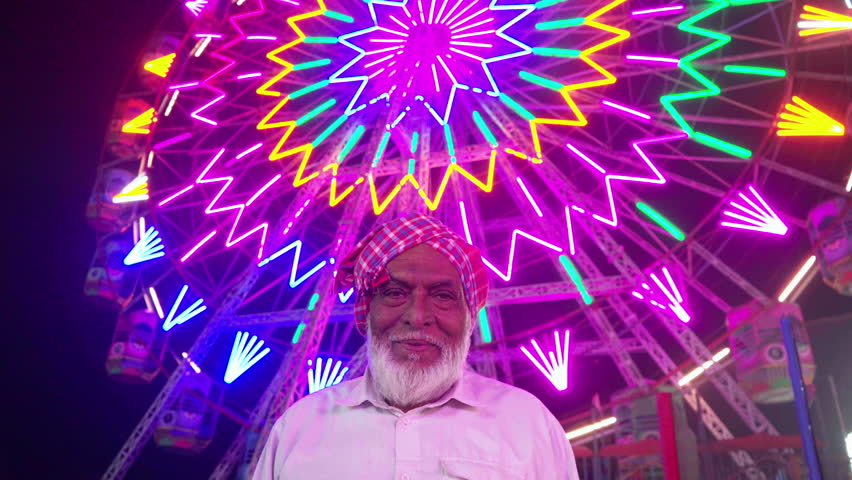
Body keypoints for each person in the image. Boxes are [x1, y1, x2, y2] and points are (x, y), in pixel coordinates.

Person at [252, 214, 579, 479]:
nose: (417, 316)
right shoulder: (299, 427)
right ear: (367, 310)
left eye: (443, 296)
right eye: (395, 293)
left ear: (469, 318)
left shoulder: (527, 424)